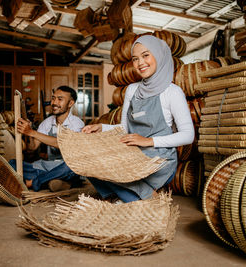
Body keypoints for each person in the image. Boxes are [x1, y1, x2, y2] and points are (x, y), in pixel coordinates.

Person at [82, 35, 195, 203]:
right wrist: (101, 127)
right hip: (133, 155)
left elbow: (188, 135)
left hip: (159, 160)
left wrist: (148, 141)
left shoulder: (172, 92)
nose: (140, 62)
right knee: (88, 164)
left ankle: (127, 196)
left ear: (158, 54)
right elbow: (125, 129)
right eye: (135, 59)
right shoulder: (132, 90)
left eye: (146, 55)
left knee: (114, 171)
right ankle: (144, 196)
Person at [10, 86, 85, 192]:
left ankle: (33, 182)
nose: (54, 102)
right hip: (48, 167)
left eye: (60, 99)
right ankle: (54, 181)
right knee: (12, 163)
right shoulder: (47, 122)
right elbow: (32, 148)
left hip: (67, 167)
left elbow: (63, 144)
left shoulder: (77, 123)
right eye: (53, 98)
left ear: (70, 103)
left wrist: (32, 132)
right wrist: (28, 133)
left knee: (75, 166)